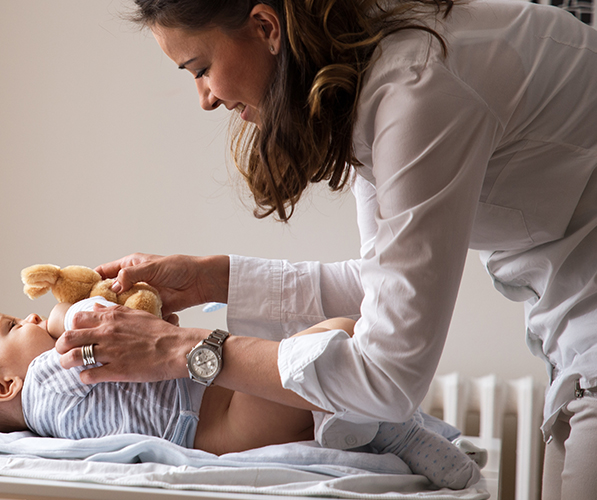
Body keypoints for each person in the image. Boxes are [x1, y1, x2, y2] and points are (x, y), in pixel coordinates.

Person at [50, 1, 597, 498]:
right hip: (572, 338)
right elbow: (388, 284)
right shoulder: (371, 79)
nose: (206, 98)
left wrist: (180, 349)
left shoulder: (419, 86)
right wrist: (213, 278)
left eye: (199, 68)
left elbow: (388, 376)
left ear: (266, 27)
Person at [0, 296, 482, 489]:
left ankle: (356, 427)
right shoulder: (49, 383)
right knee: (336, 335)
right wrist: (73, 309)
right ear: (3, 386)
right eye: (9, 327)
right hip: (223, 416)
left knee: (320, 369)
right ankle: (397, 429)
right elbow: (87, 324)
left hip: (225, 429)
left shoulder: (55, 410)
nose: (28, 317)